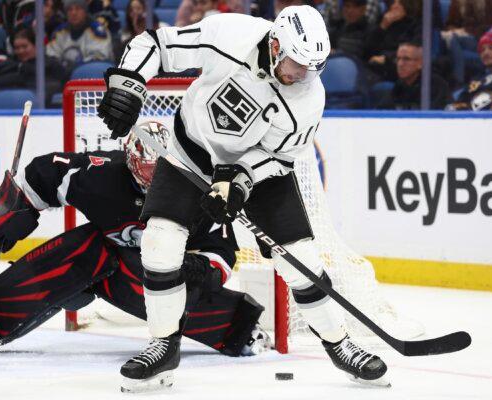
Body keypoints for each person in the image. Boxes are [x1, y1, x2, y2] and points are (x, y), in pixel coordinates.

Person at [97, 5, 389, 392]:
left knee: (300, 262)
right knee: (159, 244)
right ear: (274, 43)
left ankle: (340, 344)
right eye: (297, 63)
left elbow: (279, 157)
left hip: (260, 174)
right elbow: (156, 44)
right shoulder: (231, 34)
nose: (303, 75)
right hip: (189, 154)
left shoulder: (308, 98)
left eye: (313, 67)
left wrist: (238, 180)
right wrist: (129, 83)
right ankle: (163, 345)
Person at [0, 122, 271, 362]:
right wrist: (14, 207)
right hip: (99, 261)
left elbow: (223, 248)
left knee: (178, 289)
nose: (154, 186)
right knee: (89, 248)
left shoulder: (194, 191)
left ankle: (239, 330)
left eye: (161, 176)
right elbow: (45, 172)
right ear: (131, 163)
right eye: (147, 176)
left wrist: (200, 268)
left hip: (157, 278)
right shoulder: (101, 176)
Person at [0, 27, 66, 107]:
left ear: (36, 46)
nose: (20, 51)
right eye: (17, 48)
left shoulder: (50, 64)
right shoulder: (6, 65)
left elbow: (57, 87)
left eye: (24, 47)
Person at [376, 41, 451, 109]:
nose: (400, 64)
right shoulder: (400, 85)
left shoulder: (435, 85)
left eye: (407, 59)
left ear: (421, 63)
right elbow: (382, 110)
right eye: (398, 59)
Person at [441, 0, 492, 87]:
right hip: (468, 37)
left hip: (488, 35)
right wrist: (454, 30)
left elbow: (490, 24)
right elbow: (451, 23)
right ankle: (458, 82)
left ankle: (458, 82)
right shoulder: (457, 2)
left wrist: (468, 31)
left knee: (453, 39)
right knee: (451, 38)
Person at [364, 0, 422, 82]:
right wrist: (383, 26)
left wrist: (386, 58)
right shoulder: (384, 19)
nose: (394, 6)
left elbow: (414, 49)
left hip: (398, 66)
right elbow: (368, 49)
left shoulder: (417, 24)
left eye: (399, 3)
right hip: (375, 65)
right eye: (392, 3)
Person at [46, 0, 113, 69]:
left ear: (85, 12)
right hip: (62, 76)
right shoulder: (59, 32)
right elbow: (51, 56)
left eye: (78, 9)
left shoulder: (98, 32)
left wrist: (73, 68)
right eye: (70, 9)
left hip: (89, 76)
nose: (73, 13)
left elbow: (98, 60)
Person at [447, 27, 492, 111]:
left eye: (491, 48)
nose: (486, 52)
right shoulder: (477, 80)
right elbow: (460, 104)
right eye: (482, 50)